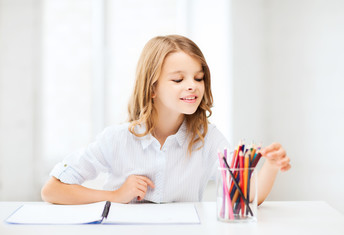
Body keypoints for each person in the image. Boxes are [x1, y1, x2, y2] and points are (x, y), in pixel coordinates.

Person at [41, 35, 291, 205]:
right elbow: (52, 190)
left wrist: (270, 166)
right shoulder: (116, 139)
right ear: (152, 88)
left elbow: (243, 198)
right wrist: (116, 195)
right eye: (178, 79)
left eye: (199, 77)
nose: (192, 86)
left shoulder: (207, 138)